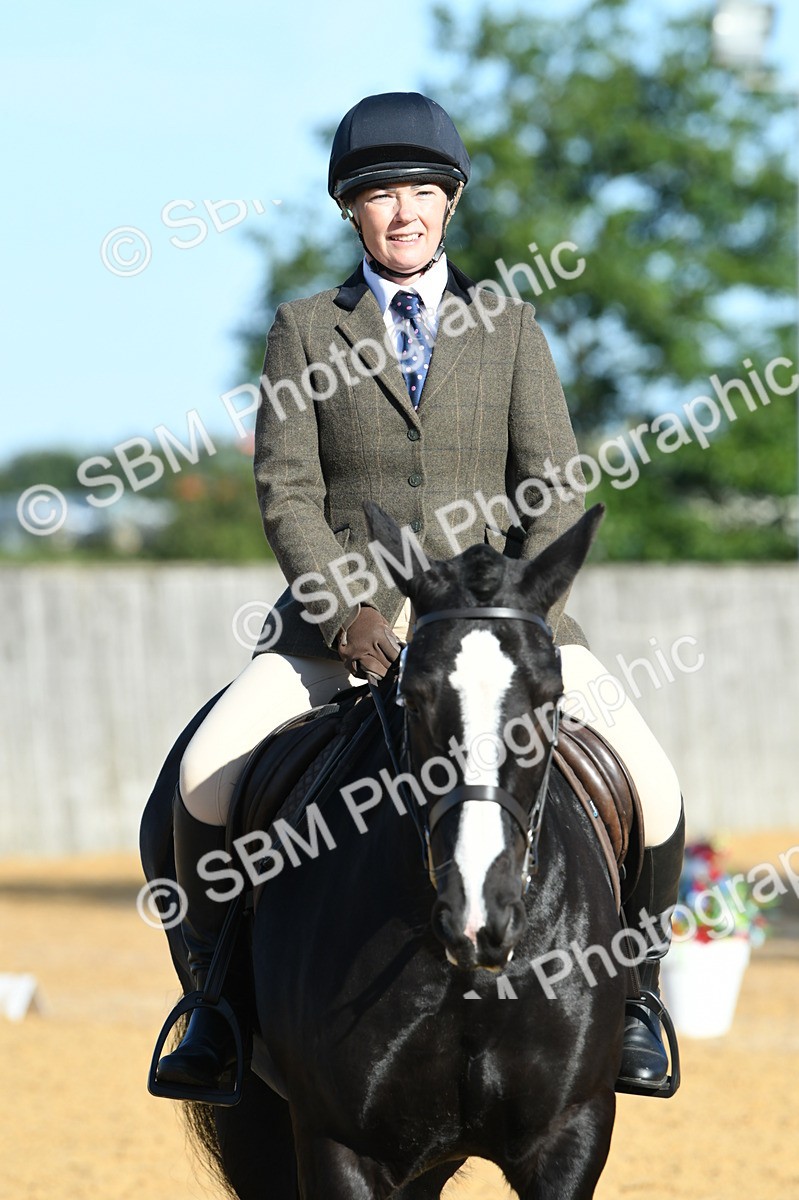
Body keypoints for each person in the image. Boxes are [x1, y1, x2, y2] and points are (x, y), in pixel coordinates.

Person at [155, 92, 685, 1096]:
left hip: (498, 620)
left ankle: (639, 1004)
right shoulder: (304, 329)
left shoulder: (509, 322)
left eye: (421, 194)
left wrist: (520, 613)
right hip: (344, 624)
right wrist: (346, 613)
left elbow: (555, 483)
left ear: (449, 204)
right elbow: (288, 492)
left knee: (652, 784)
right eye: (381, 197)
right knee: (203, 780)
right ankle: (215, 1011)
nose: (403, 213)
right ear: (351, 213)